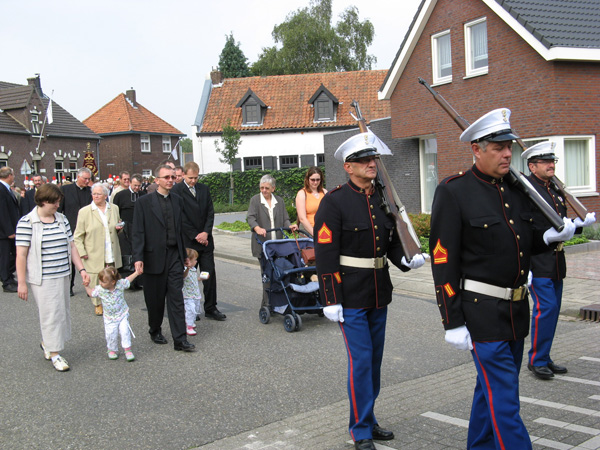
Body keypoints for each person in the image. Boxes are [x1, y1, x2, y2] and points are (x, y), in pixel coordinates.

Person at [429, 109, 576, 450]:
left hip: (515, 311)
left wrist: (549, 238)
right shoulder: (454, 191)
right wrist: (451, 320)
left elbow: (524, 239)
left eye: (508, 145)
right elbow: (443, 260)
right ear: (477, 149)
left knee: (490, 391)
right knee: (506, 400)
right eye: (497, 147)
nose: (508, 152)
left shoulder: (515, 189)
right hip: (480, 312)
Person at [314, 132, 428, 450]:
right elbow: (325, 253)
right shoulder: (334, 202)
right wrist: (330, 298)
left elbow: (390, 245)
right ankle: (360, 429)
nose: (371, 164)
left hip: (379, 292)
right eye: (364, 160)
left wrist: (409, 261)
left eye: (373, 158)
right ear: (349, 167)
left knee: (374, 360)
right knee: (361, 360)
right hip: (348, 296)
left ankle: (369, 416)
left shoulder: (381, 199)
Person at [521, 141, 596, 380]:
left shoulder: (552, 189)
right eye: (545, 162)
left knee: (553, 311)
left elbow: (561, 224)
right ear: (532, 167)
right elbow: (525, 229)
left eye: (552, 161)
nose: (551, 165)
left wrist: (578, 226)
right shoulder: (528, 192)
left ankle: (545, 355)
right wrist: (545, 238)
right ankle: (536, 360)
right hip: (539, 260)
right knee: (547, 309)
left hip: (556, 260)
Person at [15, 183, 90, 372]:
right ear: (43, 201)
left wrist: (81, 270)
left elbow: (72, 246)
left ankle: (48, 343)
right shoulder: (27, 222)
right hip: (43, 278)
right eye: (55, 203)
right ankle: (55, 353)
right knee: (51, 314)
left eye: (59, 202)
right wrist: (21, 283)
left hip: (63, 274)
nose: (58, 206)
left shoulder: (62, 219)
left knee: (61, 312)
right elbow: (21, 255)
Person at [132, 164, 195, 352]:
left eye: (172, 177)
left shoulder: (177, 200)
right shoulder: (144, 202)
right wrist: (138, 257)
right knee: (155, 299)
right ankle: (155, 329)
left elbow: (181, 229)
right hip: (153, 258)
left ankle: (180, 339)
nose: (170, 180)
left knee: (176, 298)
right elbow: (138, 231)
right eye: (166, 177)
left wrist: (185, 254)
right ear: (157, 180)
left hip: (174, 256)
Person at [172, 162, 226, 321]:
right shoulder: (177, 191)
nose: (193, 181)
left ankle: (210, 307)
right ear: (183, 175)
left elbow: (210, 212)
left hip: (206, 242)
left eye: (196, 178)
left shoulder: (204, 189)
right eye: (190, 178)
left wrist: (205, 233)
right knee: (188, 277)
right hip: (189, 242)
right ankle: (190, 308)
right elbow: (180, 218)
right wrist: (196, 235)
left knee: (208, 274)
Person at [247, 175, 298, 306]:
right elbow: (251, 218)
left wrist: (290, 226)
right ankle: (267, 303)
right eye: (262, 188)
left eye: (267, 188)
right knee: (267, 275)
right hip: (263, 245)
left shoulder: (279, 201)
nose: (264, 190)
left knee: (280, 273)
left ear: (273, 189)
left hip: (278, 245)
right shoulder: (255, 200)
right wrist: (257, 228)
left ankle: (279, 301)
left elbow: (285, 219)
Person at [74, 183, 123, 316]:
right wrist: (82, 252)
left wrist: (119, 229)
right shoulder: (85, 211)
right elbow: (77, 236)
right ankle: (98, 304)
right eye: (94, 193)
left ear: (106, 196)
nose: (95, 196)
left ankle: (112, 301)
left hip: (111, 249)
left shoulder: (114, 208)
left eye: (98, 194)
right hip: (93, 251)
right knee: (96, 279)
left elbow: (116, 226)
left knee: (112, 277)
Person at [85, 266, 140, 362]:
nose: (100, 283)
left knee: (125, 331)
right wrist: (86, 285)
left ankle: (127, 350)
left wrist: (136, 273)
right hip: (109, 317)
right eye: (100, 281)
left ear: (113, 282)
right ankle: (112, 349)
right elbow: (91, 293)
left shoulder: (120, 284)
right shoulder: (100, 289)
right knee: (111, 334)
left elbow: (128, 280)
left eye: (103, 282)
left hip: (122, 314)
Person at [59, 167, 92, 296]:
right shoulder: (65, 190)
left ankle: (90, 287)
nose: (87, 181)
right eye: (85, 178)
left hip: (87, 230)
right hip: (71, 228)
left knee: (88, 259)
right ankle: (69, 286)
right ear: (78, 177)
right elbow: (60, 210)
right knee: (71, 260)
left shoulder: (90, 191)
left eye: (89, 179)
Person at [113, 173, 144, 288]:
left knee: (138, 252)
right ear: (130, 183)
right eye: (135, 185)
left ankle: (139, 280)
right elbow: (115, 210)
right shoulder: (120, 195)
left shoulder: (142, 194)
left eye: (138, 186)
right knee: (126, 253)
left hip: (139, 226)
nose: (137, 188)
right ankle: (127, 281)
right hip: (126, 227)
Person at [0, 167, 20, 293]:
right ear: (9, 176)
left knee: (15, 254)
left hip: (9, 230)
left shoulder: (6, 189)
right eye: (13, 174)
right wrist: (9, 231)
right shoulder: (1, 190)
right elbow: (2, 211)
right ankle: (6, 281)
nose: (14, 177)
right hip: (4, 233)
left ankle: (7, 275)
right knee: (6, 257)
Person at [183, 248, 209, 336]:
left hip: (195, 294)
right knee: (191, 310)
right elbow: (184, 276)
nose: (196, 261)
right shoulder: (184, 269)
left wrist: (201, 278)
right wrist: (187, 268)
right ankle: (188, 326)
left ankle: (191, 322)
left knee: (196, 309)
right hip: (188, 295)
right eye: (194, 260)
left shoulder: (193, 269)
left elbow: (193, 279)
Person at [295, 166, 327, 236]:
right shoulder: (302, 194)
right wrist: (315, 234)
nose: (315, 182)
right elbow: (302, 218)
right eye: (313, 180)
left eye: (318, 180)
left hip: (324, 230)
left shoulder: (324, 192)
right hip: (307, 232)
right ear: (307, 179)